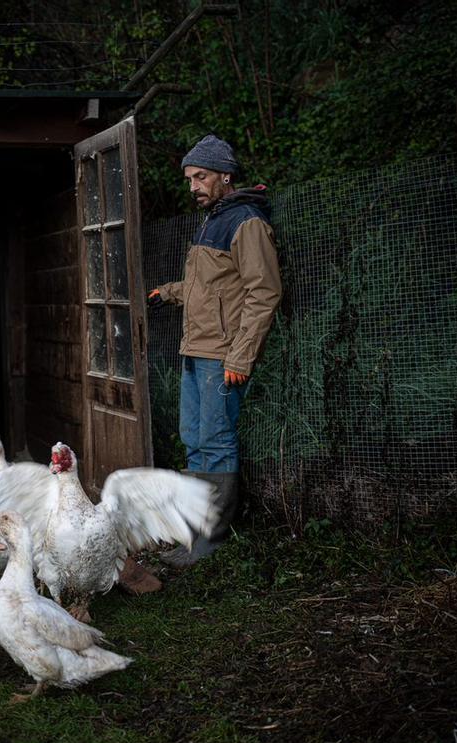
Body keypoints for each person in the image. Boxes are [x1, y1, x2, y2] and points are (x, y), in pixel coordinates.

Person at [147, 134, 281, 564]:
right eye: (189, 179)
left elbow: (264, 292)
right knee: (193, 439)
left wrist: (241, 357)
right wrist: (167, 292)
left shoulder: (246, 221)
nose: (193, 187)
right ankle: (194, 530)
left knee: (216, 441)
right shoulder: (212, 218)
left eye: (200, 177)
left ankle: (212, 540)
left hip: (223, 355)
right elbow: (208, 288)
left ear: (225, 174)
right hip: (196, 348)